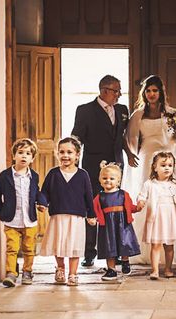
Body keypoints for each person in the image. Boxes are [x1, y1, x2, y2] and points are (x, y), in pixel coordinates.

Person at [123, 74, 176, 265]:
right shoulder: (138, 115)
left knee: (167, 200)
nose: (151, 94)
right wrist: (132, 156)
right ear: (144, 93)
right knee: (147, 200)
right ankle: (143, 251)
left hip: (168, 159)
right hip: (146, 160)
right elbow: (132, 139)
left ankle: (168, 253)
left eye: (155, 90)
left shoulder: (172, 113)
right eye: (148, 91)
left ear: (161, 92)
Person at [71, 74, 130, 267]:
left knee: (117, 209)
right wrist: (72, 162)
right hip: (93, 166)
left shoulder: (122, 110)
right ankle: (90, 252)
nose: (119, 95)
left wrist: (128, 155)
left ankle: (118, 251)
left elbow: (121, 136)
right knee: (93, 208)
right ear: (105, 91)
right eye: (116, 91)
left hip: (117, 167)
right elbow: (77, 137)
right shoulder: (85, 110)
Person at [40, 137, 97, 286]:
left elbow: (88, 196)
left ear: (77, 155)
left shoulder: (83, 174)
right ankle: (60, 268)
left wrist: (91, 214)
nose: (65, 155)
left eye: (69, 152)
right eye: (62, 152)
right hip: (58, 215)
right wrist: (42, 203)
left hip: (76, 217)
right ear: (57, 154)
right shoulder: (53, 173)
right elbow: (44, 192)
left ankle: (73, 273)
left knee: (74, 246)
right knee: (58, 244)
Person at [0, 138, 48, 287]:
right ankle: (11, 273)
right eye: (20, 152)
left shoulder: (33, 176)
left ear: (32, 158)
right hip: (11, 220)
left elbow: (37, 192)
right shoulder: (5, 176)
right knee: (12, 248)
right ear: (14, 155)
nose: (24, 156)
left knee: (29, 248)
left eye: (28, 153)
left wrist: (42, 203)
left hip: (29, 220)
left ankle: (27, 271)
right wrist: (1, 213)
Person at [136, 151, 176, 280]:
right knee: (156, 245)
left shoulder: (175, 185)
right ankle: (155, 270)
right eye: (163, 165)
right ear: (155, 167)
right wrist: (140, 202)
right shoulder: (150, 184)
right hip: (156, 217)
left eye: (170, 165)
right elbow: (142, 196)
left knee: (169, 245)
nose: (167, 168)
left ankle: (168, 268)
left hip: (170, 218)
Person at [93, 161, 141, 281]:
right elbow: (94, 209)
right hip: (107, 227)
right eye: (104, 178)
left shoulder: (123, 194)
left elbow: (130, 207)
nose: (108, 180)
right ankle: (111, 270)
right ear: (100, 180)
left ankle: (125, 261)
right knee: (109, 247)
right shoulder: (100, 197)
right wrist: (92, 218)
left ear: (118, 181)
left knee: (123, 243)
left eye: (112, 178)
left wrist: (138, 207)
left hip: (122, 224)